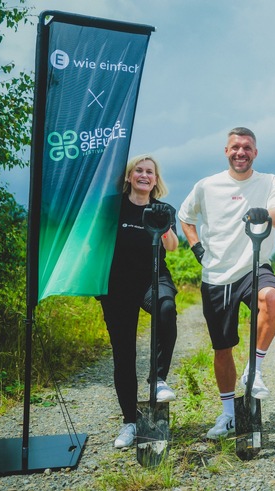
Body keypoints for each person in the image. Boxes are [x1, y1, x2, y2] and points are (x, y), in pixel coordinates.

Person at [178, 127, 275, 440]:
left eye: (248, 147)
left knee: (273, 298)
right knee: (222, 348)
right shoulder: (206, 185)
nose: (241, 152)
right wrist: (197, 246)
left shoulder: (269, 182)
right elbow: (185, 217)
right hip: (217, 274)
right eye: (235, 147)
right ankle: (228, 414)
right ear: (226, 151)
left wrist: (264, 212)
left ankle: (255, 367)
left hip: (254, 265)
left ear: (256, 152)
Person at [98, 154, 180, 448]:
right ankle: (130, 422)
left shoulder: (163, 208)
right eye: (139, 171)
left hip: (153, 279)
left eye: (150, 172)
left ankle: (158, 379)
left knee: (166, 309)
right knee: (123, 355)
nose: (145, 175)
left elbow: (173, 245)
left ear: (156, 180)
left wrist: (164, 224)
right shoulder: (114, 207)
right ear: (130, 176)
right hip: (116, 285)